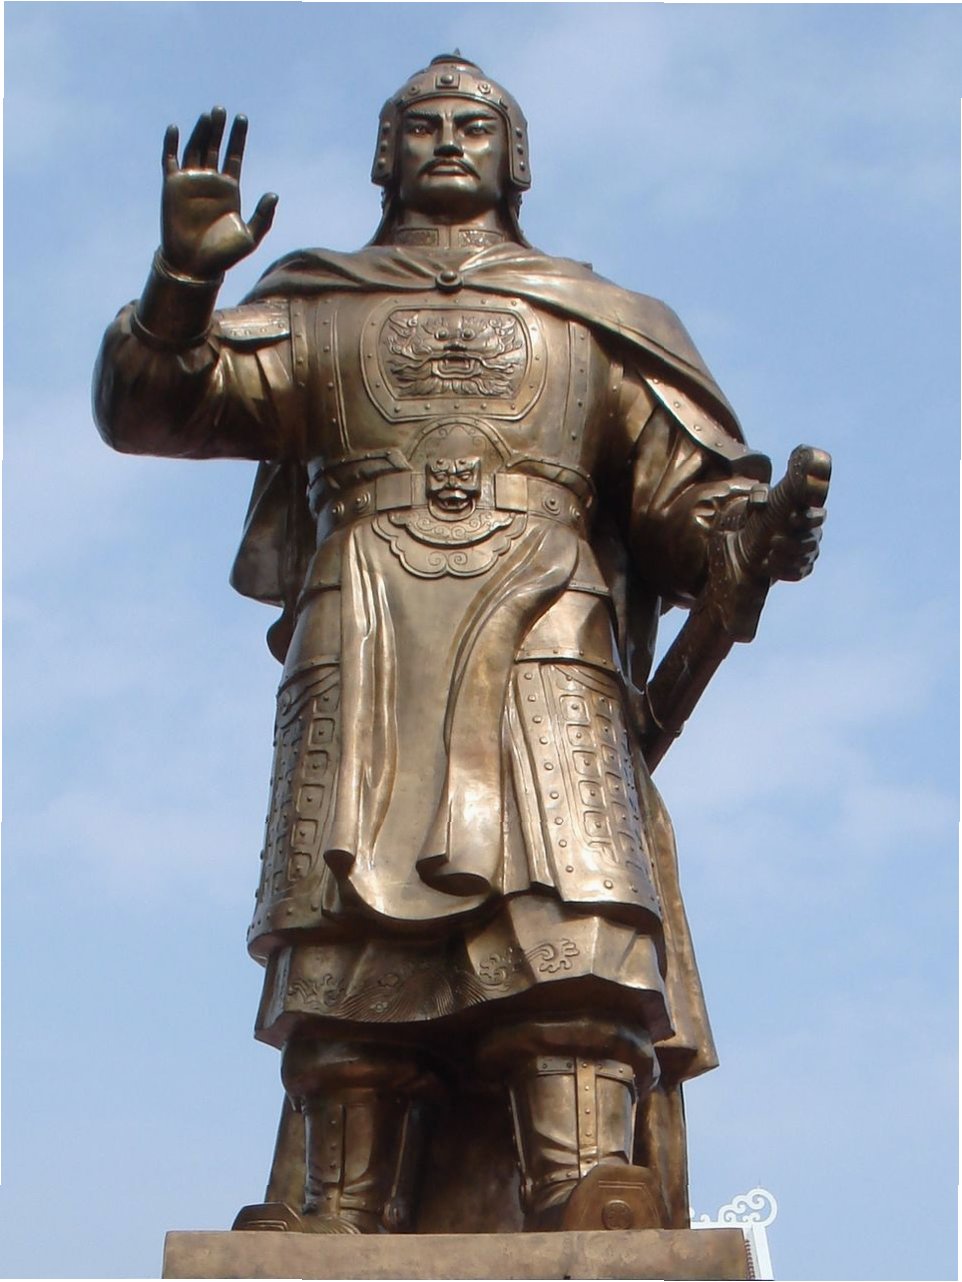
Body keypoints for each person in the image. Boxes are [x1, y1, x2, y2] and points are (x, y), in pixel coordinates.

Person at [93, 54, 822, 1236]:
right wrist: (181, 283)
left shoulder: (588, 318)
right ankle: (337, 1199)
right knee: (342, 924)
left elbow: (680, 506)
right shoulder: (322, 306)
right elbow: (157, 407)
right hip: (366, 626)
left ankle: (582, 1179)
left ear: (513, 159)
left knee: (566, 909)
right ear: (383, 158)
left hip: (548, 632)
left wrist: (751, 529)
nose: (446, 138)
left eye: (472, 125)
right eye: (421, 124)